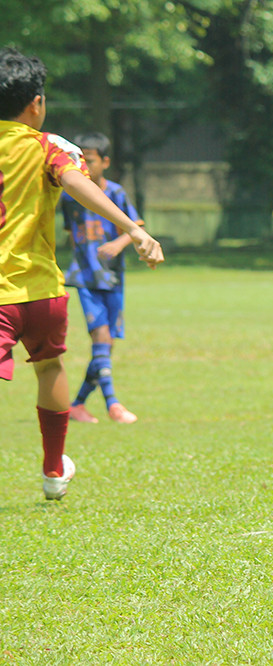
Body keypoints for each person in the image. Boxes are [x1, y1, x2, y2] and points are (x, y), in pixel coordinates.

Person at [0, 48, 163, 500]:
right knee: (50, 366)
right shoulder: (47, 146)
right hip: (42, 291)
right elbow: (77, 183)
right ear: (36, 104)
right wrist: (132, 228)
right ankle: (54, 471)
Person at [61, 132, 143, 424]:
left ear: (105, 162)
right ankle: (113, 405)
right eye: (80, 159)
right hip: (86, 277)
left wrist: (117, 244)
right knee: (102, 338)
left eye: (91, 160)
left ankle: (78, 404)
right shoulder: (69, 196)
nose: (85, 165)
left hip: (113, 279)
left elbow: (135, 227)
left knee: (105, 347)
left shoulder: (117, 194)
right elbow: (72, 236)